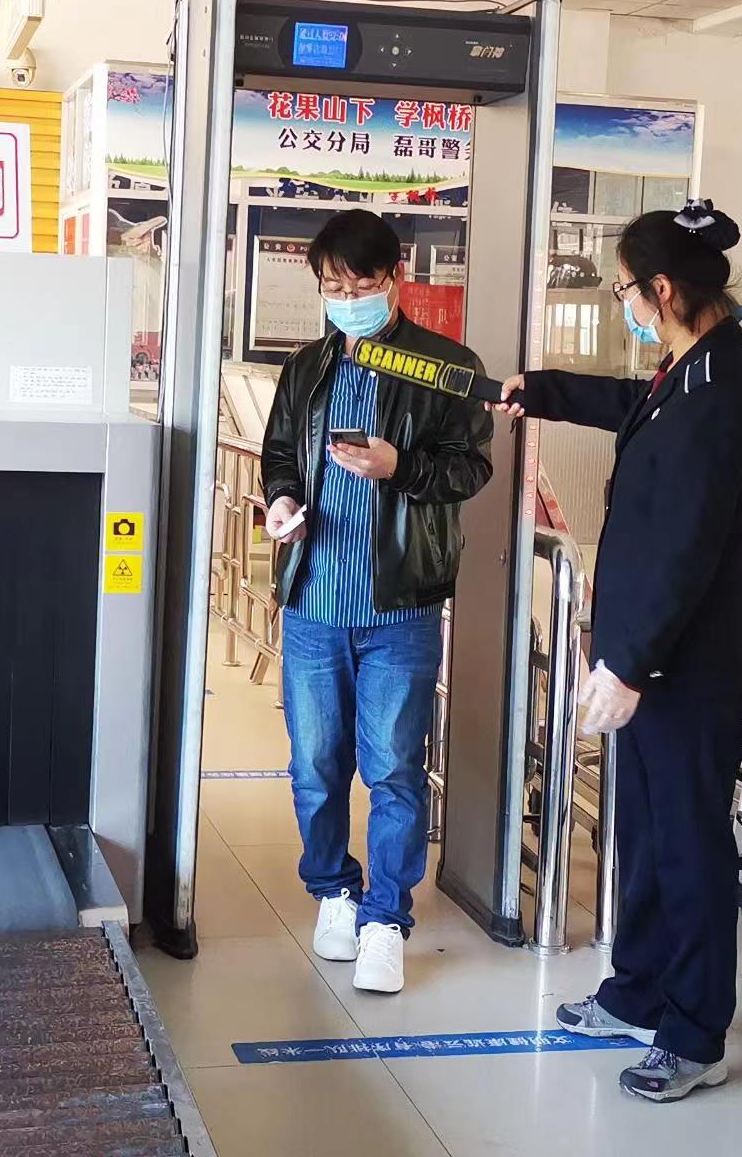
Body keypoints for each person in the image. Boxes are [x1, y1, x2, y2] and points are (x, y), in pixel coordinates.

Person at [491, 200, 742, 1102]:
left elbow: (685, 548)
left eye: (625, 293)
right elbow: (630, 406)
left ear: (663, 288)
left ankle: (695, 1033)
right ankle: (640, 992)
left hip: (686, 666)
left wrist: (633, 664)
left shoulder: (719, 391)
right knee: (646, 837)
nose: (627, 308)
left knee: (689, 846)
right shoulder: (689, 369)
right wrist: (542, 389)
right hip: (655, 656)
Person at [260, 209, 492, 995]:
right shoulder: (307, 367)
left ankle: (386, 918)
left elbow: (471, 468)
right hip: (314, 601)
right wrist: (281, 502)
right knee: (315, 766)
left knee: (394, 769)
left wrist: (402, 468)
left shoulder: (446, 367)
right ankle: (333, 890)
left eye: (360, 285)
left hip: (400, 606)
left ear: (394, 279)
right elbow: (281, 454)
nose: (347, 299)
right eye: (333, 287)